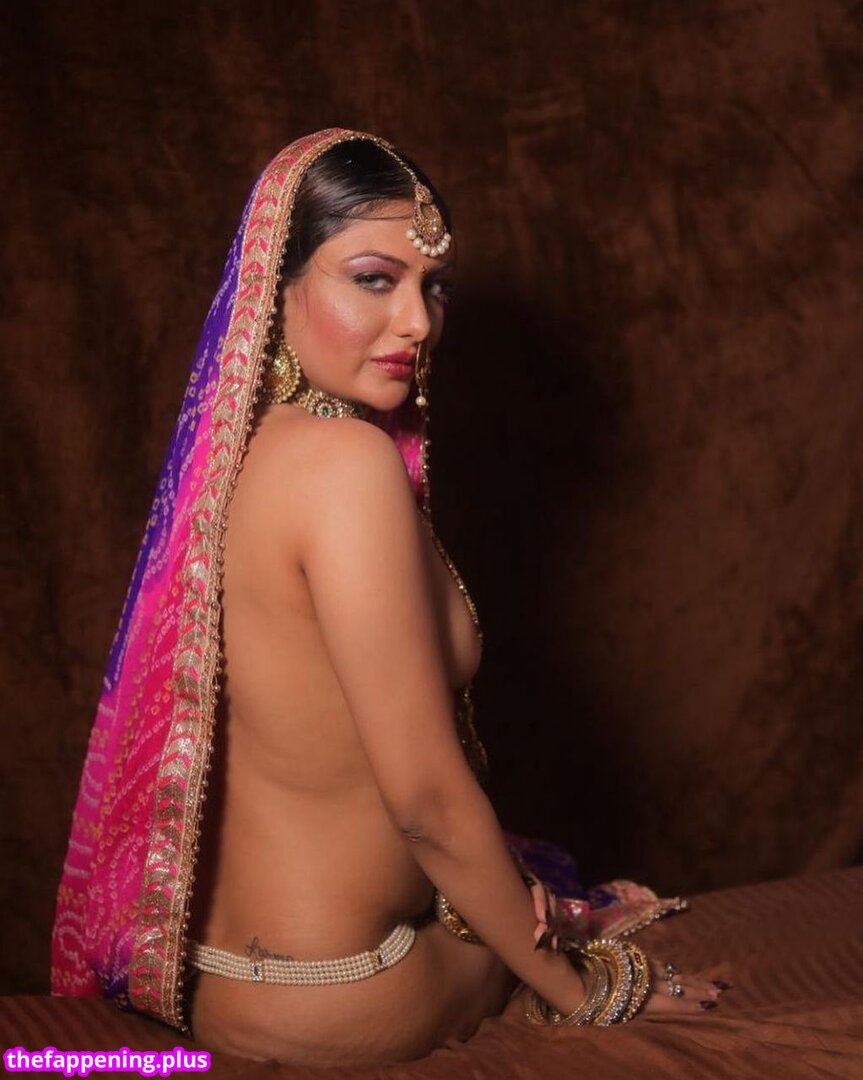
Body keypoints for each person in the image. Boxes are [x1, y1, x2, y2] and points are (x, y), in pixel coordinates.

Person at [51, 129, 728, 1067]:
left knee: (532, 894)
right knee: (585, 930)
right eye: (373, 279)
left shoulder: (250, 457)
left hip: (229, 982)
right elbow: (423, 802)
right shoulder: (344, 467)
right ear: (275, 284)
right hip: (342, 993)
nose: (415, 322)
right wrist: (587, 994)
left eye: (432, 287)